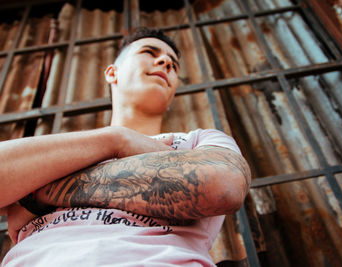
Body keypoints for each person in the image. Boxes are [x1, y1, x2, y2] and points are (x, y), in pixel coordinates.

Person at [0, 28, 251, 266]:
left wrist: (38, 193)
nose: (165, 62)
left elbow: (220, 186)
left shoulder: (199, 142)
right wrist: (116, 139)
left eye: (173, 64)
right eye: (149, 53)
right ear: (112, 72)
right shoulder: (61, 146)